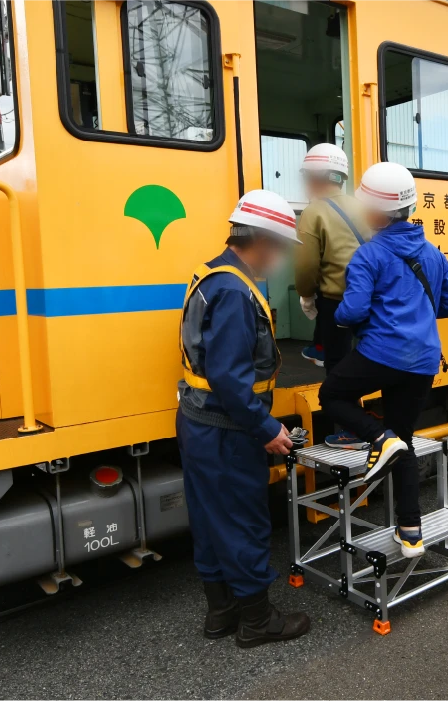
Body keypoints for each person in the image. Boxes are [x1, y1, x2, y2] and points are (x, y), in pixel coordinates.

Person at [176, 189, 310, 648]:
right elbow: (232, 380)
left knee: (210, 519)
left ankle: (222, 614)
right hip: (228, 429)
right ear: (265, 241)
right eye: (282, 248)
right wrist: (266, 427)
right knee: (243, 521)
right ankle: (257, 622)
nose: (282, 259)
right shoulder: (235, 291)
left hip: (198, 421)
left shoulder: (210, 275)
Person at [317, 161, 448, 558]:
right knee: (405, 440)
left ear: (378, 212)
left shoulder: (369, 254)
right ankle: (411, 531)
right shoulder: (433, 253)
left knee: (332, 395)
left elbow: (349, 313)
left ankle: (379, 438)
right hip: (423, 362)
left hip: (381, 353)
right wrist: (414, 311)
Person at [292, 143, 373, 449]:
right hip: (368, 301)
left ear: (315, 176)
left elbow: (306, 265)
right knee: (361, 363)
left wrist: (306, 295)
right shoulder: (361, 207)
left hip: (336, 303)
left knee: (338, 370)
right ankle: (317, 346)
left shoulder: (314, 211)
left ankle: (349, 432)